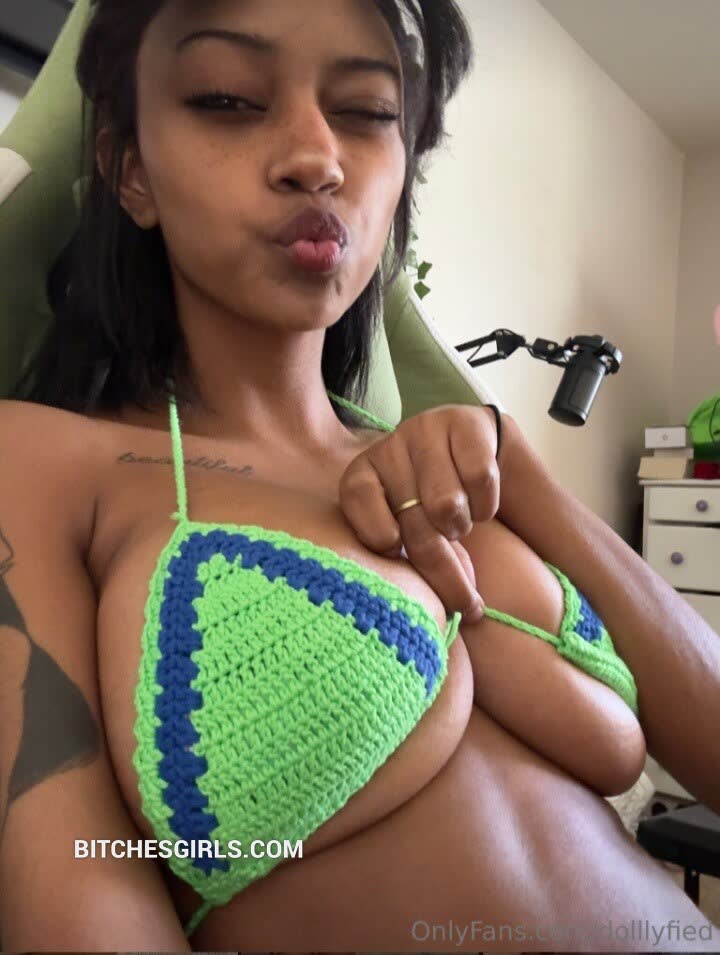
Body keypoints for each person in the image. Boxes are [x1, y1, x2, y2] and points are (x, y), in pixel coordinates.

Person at [0, 0, 718, 950]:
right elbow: (75, 902)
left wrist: (515, 459)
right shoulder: (41, 462)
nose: (317, 157)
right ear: (132, 173)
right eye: (228, 99)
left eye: (368, 111)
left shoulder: (462, 467)